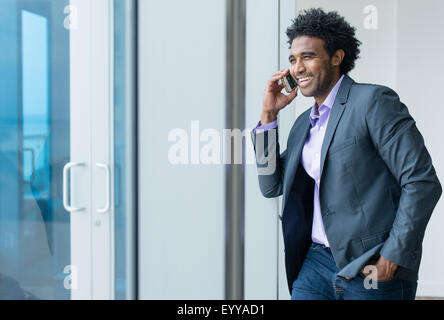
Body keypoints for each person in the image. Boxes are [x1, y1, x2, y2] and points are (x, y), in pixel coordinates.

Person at [251, 8, 442, 300]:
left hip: (369, 267)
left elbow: (421, 181)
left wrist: (392, 256)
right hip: (315, 265)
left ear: (337, 57)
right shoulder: (304, 124)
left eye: (308, 57)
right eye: (293, 59)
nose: (298, 67)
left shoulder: (373, 102)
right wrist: (268, 115)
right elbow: (271, 186)